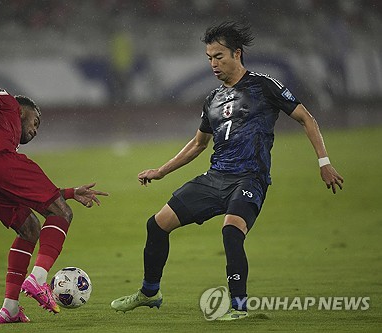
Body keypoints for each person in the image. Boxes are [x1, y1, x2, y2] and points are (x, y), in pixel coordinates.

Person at [110, 21, 344, 320]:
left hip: (250, 178)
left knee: (231, 231)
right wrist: (161, 170)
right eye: (209, 58)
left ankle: (239, 307)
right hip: (216, 178)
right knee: (157, 224)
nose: (213, 64)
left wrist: (324, 163)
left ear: (237, 53)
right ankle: (150, 292)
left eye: (218, 56)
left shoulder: (264, 86)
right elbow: (198, 144)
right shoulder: (213, 99)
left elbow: (307, 118)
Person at [0, 82, 108, 324]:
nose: (36, 130)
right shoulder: (7, 103)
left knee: (29, 227)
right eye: (35, 122)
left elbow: (28, 192)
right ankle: (39, 278)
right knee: (63, 213)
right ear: (21, 111)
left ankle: (9, 307)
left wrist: (70, 192)